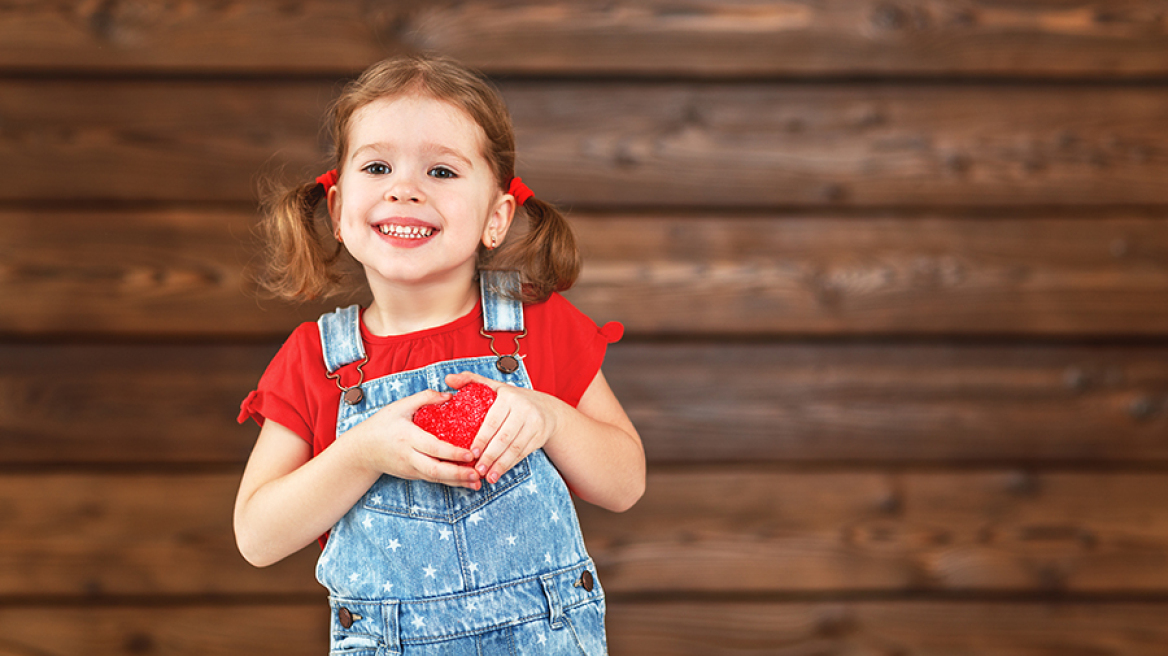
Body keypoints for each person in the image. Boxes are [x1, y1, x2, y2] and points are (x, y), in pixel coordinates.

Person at [233, 54, 645, 655]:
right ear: (339, 211)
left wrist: (549, 417)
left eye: (442, 172)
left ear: (496, 218)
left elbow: (625, 483)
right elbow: (257, 535)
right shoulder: (314, 361)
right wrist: (364, 452)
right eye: (378, 166)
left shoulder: (536, 326)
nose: (405, 189)